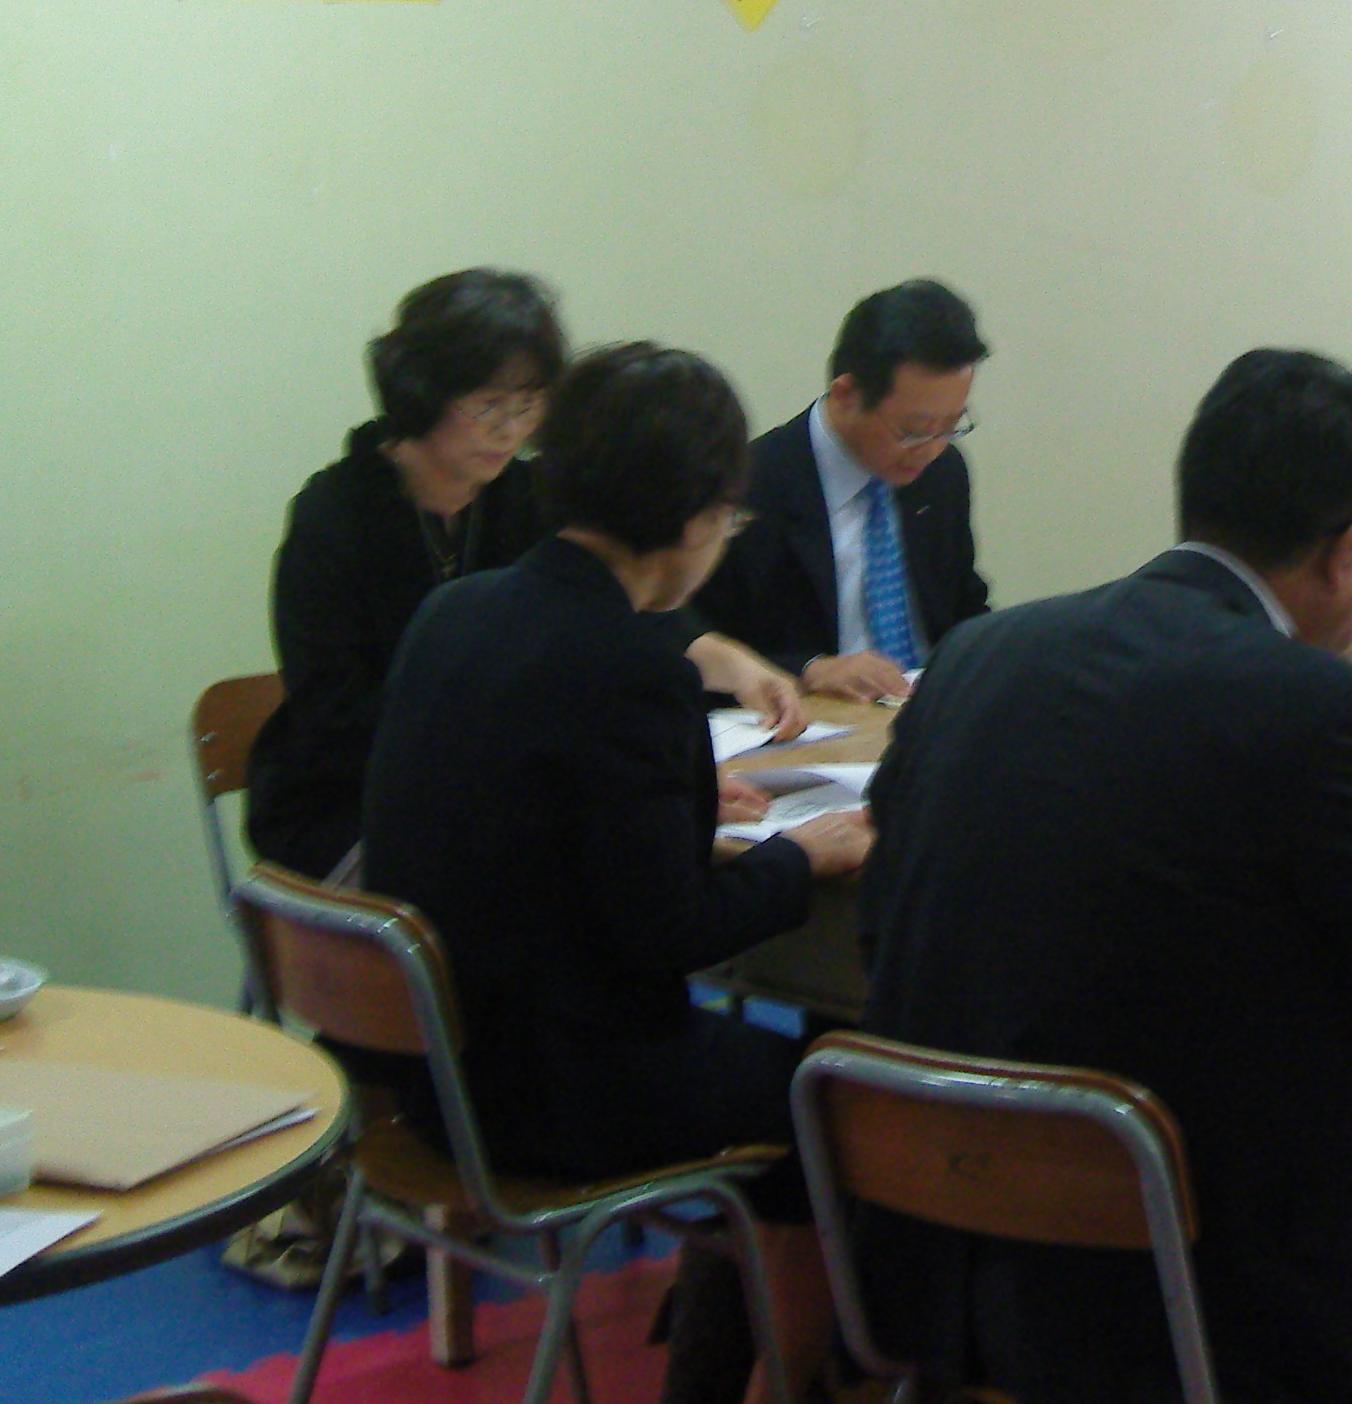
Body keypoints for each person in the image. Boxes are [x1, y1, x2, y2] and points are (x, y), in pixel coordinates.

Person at [857, 348, 1352, 1404]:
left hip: (958, 1269)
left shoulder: (977, 655)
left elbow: (882, 919)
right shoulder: (1321, 711)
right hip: (1215, 1290)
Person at [363, 343, 873, 1404]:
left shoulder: (455, 611)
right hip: (554, 1091)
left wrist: (676, 814)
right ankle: (789, 1387)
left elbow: (531, 817)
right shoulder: (634, 668)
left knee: (773, 1074)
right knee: (834, 1097)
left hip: (425, 1079)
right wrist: (798, 854)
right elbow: (668, 935)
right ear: (695, 517)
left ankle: (715, 1365)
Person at [250, 271, 803, 884]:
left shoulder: (521, 494)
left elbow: (608, 599)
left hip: (495, 799)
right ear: (419, 394)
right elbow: (337, 715)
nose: (510, 430)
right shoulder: (334, 518)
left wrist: (727, 660)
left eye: (528, 403)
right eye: (487, 405)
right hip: (349, 814)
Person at [695, 279, 993, 702]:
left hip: (926, 711)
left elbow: (964, 608)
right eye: (913, 431)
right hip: (815, 721)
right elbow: (692, 642)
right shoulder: (748, 487)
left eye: (951, 426)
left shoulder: (942, 475)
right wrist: (809, 669)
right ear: (846, 395)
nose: (932, 449)